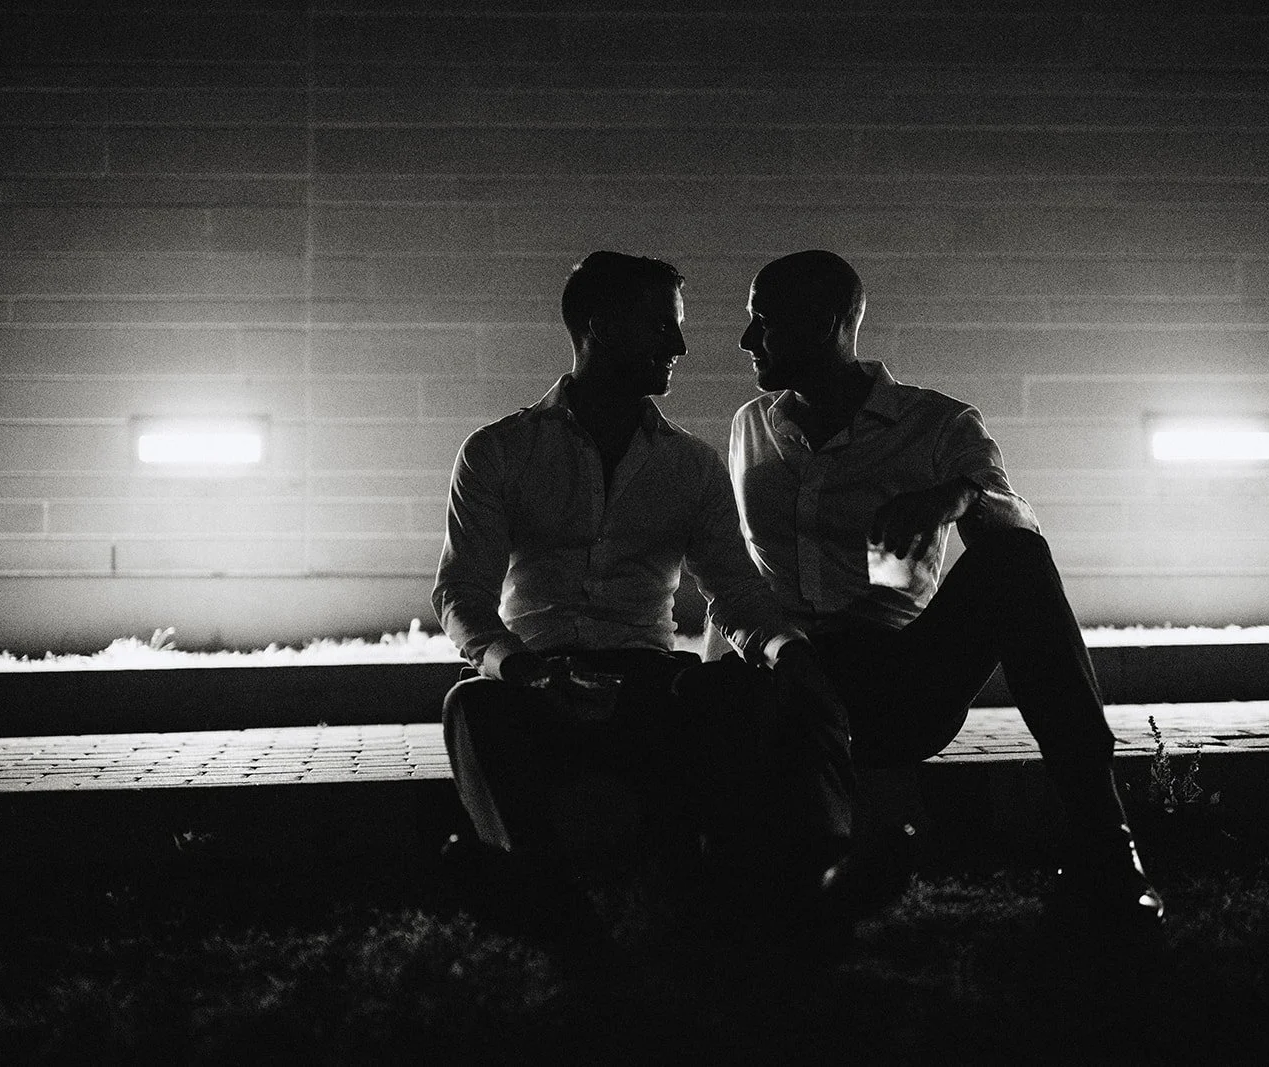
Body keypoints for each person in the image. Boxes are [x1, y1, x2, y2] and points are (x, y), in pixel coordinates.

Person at [724, 249, 1164, 930]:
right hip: (795, 673)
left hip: (899, 671)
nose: (748, 339)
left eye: (765, 322)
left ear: (829, 322)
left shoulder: (938, 423)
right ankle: (838, 865)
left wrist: (957, 497)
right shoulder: (750, 427)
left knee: (1014, 559)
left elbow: (1017, 524)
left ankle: (1109, 846)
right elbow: (735, 575)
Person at [431, 251, 851, 946]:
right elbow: (461, 592)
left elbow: (737, 593)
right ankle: (555, 916)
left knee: (745, 694)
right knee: (470, 705)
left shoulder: (690, 465)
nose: (680, 346)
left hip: (648, 684)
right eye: (661, 325)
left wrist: (789, 651)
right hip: (541, 679)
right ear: (598, 325)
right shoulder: (499, 451)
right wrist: (521, 667)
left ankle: (775, 896)